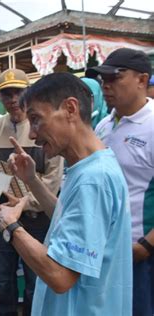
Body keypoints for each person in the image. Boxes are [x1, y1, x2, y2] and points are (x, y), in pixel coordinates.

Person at [0, 72, 132, 315]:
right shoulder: (89, 167)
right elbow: (67, 214)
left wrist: (10, 226)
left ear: (70, 108)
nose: (32, 134)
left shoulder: (93, 180)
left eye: (36, 119)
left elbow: (59, 275)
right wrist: (32, 180)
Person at [0, 69, 63, 316]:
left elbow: (52, 178)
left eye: (18, 92)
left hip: (36, 220)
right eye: (6, 93)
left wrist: (25, 203)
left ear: (29, 92)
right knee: (4, 280)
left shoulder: (44, 126)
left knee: (36, 280)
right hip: (2, 216)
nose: (13, 98)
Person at [86, 47, 154, 316]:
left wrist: (145, 247)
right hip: (105, 251)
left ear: (142, 79)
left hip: (141, 255)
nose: (106, 86)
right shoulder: (104, 125)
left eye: (115, 77)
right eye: (103, 80)